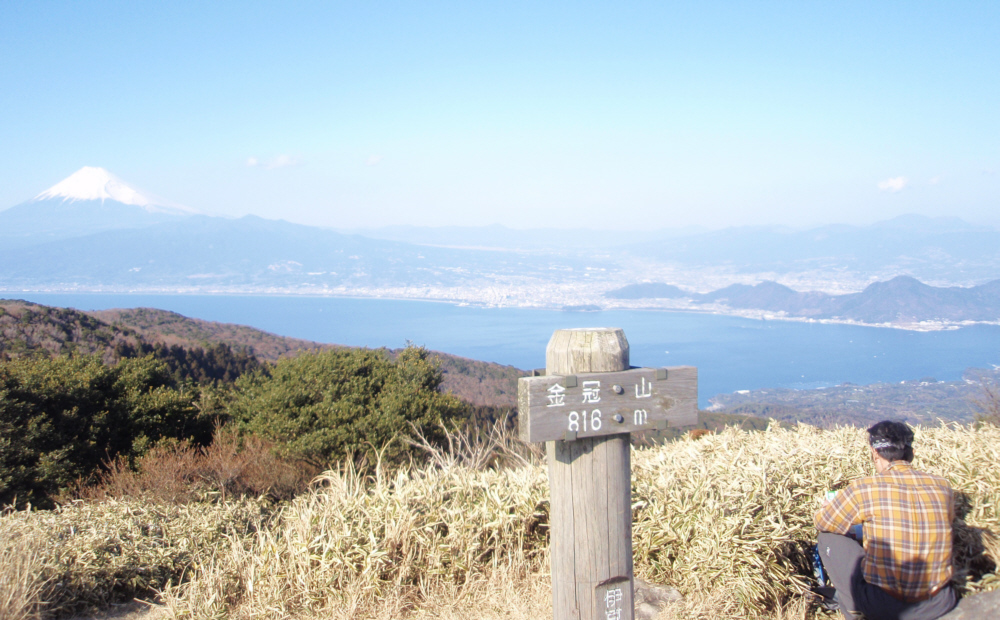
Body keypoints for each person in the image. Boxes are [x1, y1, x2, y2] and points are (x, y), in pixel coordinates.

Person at [814, 421, 958, 620]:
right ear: (911, 453)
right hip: (940, 602)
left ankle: (854, 610)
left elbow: (822, 522)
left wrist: (826, 509)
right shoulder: (943, 486)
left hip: (886, 607)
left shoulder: (864, 488)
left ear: (875, 453)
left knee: (827, 538)